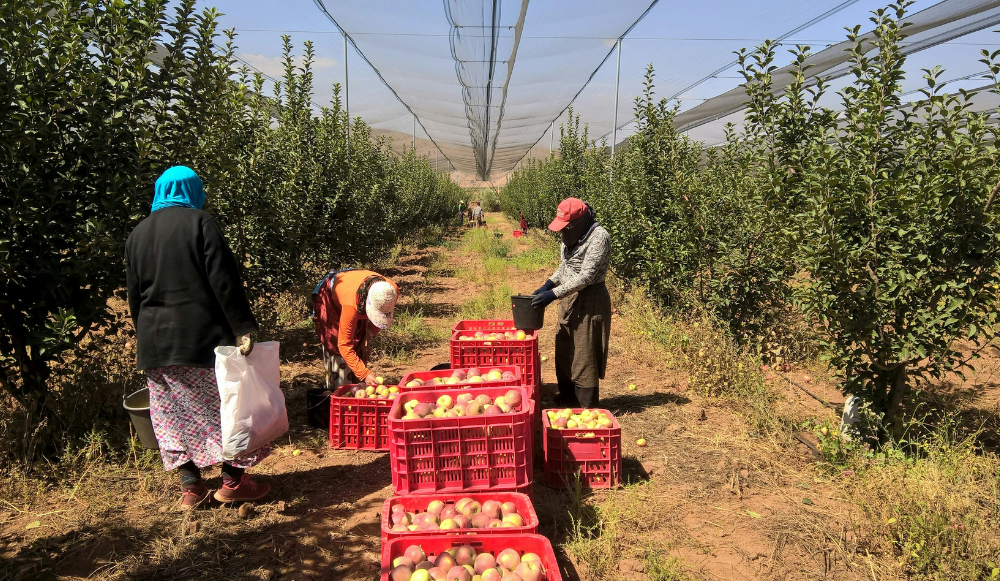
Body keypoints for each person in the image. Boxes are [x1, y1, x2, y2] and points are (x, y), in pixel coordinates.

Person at [125, 166, 270, 510]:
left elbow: (134, 296)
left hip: (156, 342)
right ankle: (233, 481)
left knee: (170, 415)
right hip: (201, 338)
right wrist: (242, 325)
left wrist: (146, 332)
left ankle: (191, 487)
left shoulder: (137, 235)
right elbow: (223, 279)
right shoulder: (200, 222)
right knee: (229, 409)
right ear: (192, 191)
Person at [531, 198, 611, 408]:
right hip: (568, 297)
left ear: (577, 223)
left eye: (566, 228)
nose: (562, 233)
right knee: (565, 346)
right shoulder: (570, 237)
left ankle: (585, 404)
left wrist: (553, 294)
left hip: (589, 299)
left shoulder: (598, 237)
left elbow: (586, 276)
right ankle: (567, 396)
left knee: (584, 352)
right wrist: (548, 284)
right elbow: (566, 267)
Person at [314, 270, 399, 387]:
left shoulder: (390, 292)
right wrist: (364, 373)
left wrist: (367, 336)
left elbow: (379, 318)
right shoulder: (351, 304)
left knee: (360, 344)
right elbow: (344, 344)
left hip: (357, 293)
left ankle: (356, 385)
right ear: (366, 304)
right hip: (335, 296)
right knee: (336, 347)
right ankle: (339, 388)